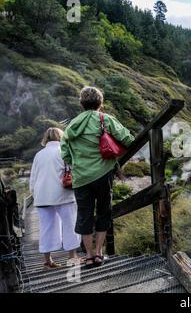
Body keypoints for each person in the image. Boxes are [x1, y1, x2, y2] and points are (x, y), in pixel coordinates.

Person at [61, 87, 135, 268]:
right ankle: (100, 253)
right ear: (100, 103)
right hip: (103, 175)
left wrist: (78, 163)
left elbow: (65, 154)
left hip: (80, 178)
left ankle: (88, 255)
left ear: (81, 103)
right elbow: (128, 139)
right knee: (103, 212)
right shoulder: (105, 119)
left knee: (84, 215)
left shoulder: (70, 127)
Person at [29, 128, 81, 269]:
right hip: (63, 194)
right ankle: (72, 257)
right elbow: (74, 170)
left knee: (46, 228)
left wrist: (34, 194)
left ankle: (48, 260)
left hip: (42, 196)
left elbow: (33, 178)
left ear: (46, 138)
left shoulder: (39, 155)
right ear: (61, 137)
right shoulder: (64, 151)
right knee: (70, 225)